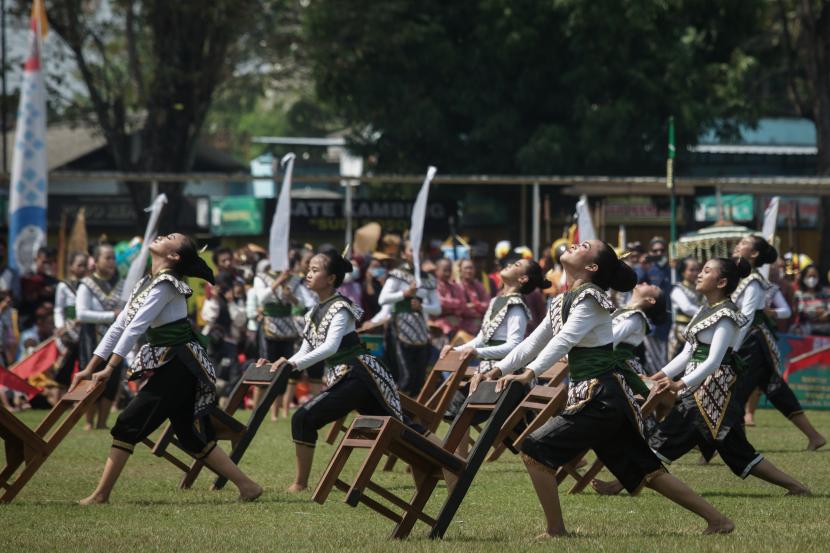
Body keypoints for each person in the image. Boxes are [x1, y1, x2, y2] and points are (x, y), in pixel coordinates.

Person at [475, 240, 733, 537]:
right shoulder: (563, 299)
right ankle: (718, 520)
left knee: (534, 448)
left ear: (592, 267)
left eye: (583, 245)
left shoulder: (592, 298)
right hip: (600, 398)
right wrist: (499, 368)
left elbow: (564, 340)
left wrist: (530, 372)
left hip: (601, 397)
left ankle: (556, 530)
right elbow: (533, 341)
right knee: (646, 469)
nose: (573, 244)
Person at [70, 233, 263, 505]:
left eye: (170, 238)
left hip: (180, 363)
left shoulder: (167, 284)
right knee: (188, 434)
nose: (162, 236)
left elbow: (136, 327)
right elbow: (119, 326)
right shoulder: (146, 282)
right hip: (175, 363)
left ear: (174, 257)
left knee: (127, 424)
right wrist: (90, 367)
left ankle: (101, 495)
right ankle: (248, 486)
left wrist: (110, 368)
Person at [598, 257, 811, 497]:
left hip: (712, 391)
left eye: (707, 271)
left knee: (673, 440)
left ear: (721, 282)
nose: (699, 274)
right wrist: (660, 375)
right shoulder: (706, 309)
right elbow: (689, 352)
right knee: (728, 450)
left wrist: (679, 384)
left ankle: (797, 486)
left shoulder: (727, 316)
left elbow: (713, 360)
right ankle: (621, 484)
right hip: (699, 389)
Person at [261, 247, 401, 493]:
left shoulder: (340, 307)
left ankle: (300, 484)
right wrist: (286, 362)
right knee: (401, 430)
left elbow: (329, 347)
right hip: (347, 377)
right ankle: (447, 461)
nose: (308, 274)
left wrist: (293, 365)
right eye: (308, 269)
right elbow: (306, 349)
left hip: (358, 375)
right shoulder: (315, 310)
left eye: (315, 270)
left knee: (303, 417)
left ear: (331, 278)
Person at [732, 236, 825, 450]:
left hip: (752, 342)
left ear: (754, 254)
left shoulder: (754, 281)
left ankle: (737, 446)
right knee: (775, 389)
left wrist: (733, 347)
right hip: (750, 341)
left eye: (743, 243)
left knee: (736, 391)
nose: (738, 245)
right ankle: (814, 436)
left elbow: (752, 316)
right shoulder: (741, 277)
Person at [254, 257, 317, 418]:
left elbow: (302, 304)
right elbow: (261, 299)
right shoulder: (261, 277)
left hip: (287, 326)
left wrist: (290, 297)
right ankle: (256, 409)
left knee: (283, 369)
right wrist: (278, 281)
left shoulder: (295, 280)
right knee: (265, 367)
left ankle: (276, 412)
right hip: (269, 324)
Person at [378, 241, 440, 396]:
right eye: (412, 250)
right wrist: (404, 294)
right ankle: (397, 410)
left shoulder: (427, 279)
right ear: (403, 254)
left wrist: (422, 307)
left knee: (419, 376)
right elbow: (383, 299)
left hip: (419, 328)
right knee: (405, 375)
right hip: (399, 327)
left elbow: (437, 308)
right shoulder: (397, 274)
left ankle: (411, 414)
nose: (416, 253)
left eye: (419, 250)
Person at [77, 243, 125, 430]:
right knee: (90, 378)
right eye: (107, 258)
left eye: (113, 257)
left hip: (116, 338)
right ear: (95, 261)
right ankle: (89, 422)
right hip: (91, 338)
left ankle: (103, 422)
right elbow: (81, 314)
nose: (112, 261)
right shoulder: (87, 284)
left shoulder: (121, 284)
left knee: (112, 378)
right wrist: (111, 316)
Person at [53, 252, 89, 388]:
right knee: (65, 365)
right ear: (71, 267)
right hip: (68, 330)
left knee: (84, 363)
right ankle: (58, 398)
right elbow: (58, 309)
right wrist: (60, 326)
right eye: (80, 265)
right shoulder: (63, 286)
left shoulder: (89, 284)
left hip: (85, 329)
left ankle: (80, 397)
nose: (83, 268)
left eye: (85, 265)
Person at [669, 257, 703, 359]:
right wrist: (708, 313)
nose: (696, 273)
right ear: (683, 272)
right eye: (692, 270)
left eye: (697, 269)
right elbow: (687, 308)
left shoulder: (701, 288)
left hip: (699, 329)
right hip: (682, 330)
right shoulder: (677, 289)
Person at [432, 258, 466, 338]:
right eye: (444, 270)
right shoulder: (433, 285)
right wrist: (456, 303)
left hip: (456, 321)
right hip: (439, 323)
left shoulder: (454, 286)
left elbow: (463, 304)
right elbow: (440, 302)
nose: (447, 273)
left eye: (449, 270)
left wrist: (453, 304)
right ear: (436, 271)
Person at [793, 264, 830, 336]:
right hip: (806, 334)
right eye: (809, 276)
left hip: (826, 333)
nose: (812, 279)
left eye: (814, 276)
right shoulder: (799, 295)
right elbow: (801, 313)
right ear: (803, 277)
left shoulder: (826, 293)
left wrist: (813, 313)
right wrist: (820, 312)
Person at [457, 258, 490, 336]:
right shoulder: (457, 286)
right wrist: (478, 306)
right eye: (466, 268)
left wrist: (475, 305)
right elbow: (460, 308)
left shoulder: (479, 285)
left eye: (471, 268)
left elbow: (488, 304)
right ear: (460, 271)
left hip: (482, 326)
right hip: (463, 327)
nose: (469, 271)